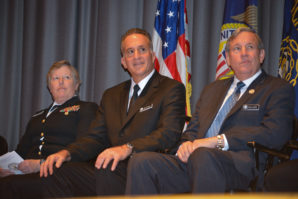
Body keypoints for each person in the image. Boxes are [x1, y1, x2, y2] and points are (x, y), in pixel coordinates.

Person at [125, 27, 295, 194]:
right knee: (141, 161)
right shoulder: (212, 90)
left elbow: (276, 133)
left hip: (241, 165)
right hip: (195, 161)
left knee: (203, 155)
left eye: (250, 47)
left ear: (261, 55)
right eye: (237, 48)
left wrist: (218, 141)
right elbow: (193, 130)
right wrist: (185, 145)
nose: (243, 53)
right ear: (228, 59)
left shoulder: (277, 88)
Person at [39, 28, 186, 197]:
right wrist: (67, 153)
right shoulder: (111, 95)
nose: (136, 56)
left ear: (152, 56)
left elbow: (169, 133)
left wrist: (128, 148)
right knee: (55, 171)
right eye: (130, 52)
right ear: (123, 61)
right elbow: (95, 138)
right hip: (110, 169)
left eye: (142, 49)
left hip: (145, 170)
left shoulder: (171, 88)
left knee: (108, 166)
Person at [0, 60, 98, 198]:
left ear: (76, 85)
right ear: (49, 87)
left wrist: (41, 164)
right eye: (56, 78)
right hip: (25, 175)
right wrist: (5, 168)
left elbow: (84, 149)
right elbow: (20, 152)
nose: (61, 82)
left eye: (67, 77)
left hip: (59, 174)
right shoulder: (37, 116)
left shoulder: (86, 108)